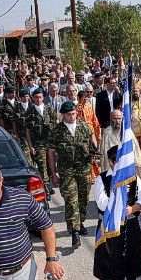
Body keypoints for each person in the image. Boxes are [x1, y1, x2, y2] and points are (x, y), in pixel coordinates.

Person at [93, 145, 141, 280]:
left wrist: (132, 209)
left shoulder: (133, 178)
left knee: (132, 261)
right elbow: (102, 203)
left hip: (130, 225)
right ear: (110, 162)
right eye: (118, 161)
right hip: (110, 229)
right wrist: (118, 201)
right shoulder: (102, 179)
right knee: (111, 264)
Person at [47, 101, 97, 248]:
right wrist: (53, 174)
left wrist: (93, 148)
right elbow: (50, 153)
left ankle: (80, 222)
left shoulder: (84, 126)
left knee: (83, 199)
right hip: (67, 171)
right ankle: (74, 232)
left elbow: (92, 134)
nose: (72, 116)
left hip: (84, 169)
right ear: (63, 115)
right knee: (71, 200)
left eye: (74, 113)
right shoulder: (57, 131)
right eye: (69, 114)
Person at [100, 110, 141, 185]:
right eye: (114, 118)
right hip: (113, 165)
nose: (117, 121)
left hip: (126, 164)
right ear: (111, 119)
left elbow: (136, 150)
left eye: (119, 118)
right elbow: (104, 152)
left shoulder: (128, 132)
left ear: (122, 119)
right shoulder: (107, 132)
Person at [25, 87, 57, 197]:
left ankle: (48, 186)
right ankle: (46, 189)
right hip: (38, 143)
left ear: (43, 98)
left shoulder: (49, 109)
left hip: (50, 143)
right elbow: (28, 131)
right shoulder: (30, 112)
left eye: (40, 97)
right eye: (36, 97)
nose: (38, 99)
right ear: (33, 98)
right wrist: (30, 146)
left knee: (50, 165)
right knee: (42, 166)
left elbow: (55, 126)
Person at [76, 90, 102, 182]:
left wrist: (97, 133)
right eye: (83, 98)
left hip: (90, 133)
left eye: (86, 98)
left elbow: (94, 120)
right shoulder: (76, 109)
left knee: (92, 153)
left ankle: (93, 174)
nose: (85, 100)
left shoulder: (89, 107)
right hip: (80, 135)